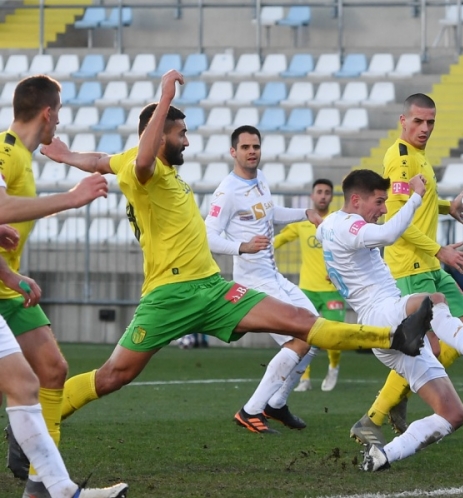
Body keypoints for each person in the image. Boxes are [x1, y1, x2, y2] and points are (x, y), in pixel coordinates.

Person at [37, 70, 430, 428]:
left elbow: (101, 159)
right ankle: (40, 422)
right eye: (180, 134)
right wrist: (163, 97)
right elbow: (140, 158)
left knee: (300, 322)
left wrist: (67, 156)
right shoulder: (144, 172)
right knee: (113, 376)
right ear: (158, 137)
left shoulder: (146, 165)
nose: (186, 140)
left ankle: (392, 338)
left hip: (211, 288)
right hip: (168, 296)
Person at [317, 169, 463, 471]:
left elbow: (323, 232)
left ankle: (383, 455)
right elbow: (388, 234)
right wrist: (416, 196)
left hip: (386, 332)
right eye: (380, 202)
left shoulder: (330, 226)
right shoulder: (348, 226)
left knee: (453, 414)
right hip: (383, 315)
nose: (384, 210)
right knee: (434, 300)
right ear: (357, 201)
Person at [0, 76, 127, 496]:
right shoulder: (5, 149)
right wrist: (71, 197)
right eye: (59, 113)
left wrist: (11, 275)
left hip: (7, 289)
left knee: (51, 370)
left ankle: (43, 487)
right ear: (48, 112)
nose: (59, 121)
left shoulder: (23, 156)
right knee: (26, 383)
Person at [350, 93, 463, 445]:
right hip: (411, 266)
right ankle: (374, 416)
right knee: (431, 349)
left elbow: (415, 204)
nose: (425, 128)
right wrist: (440, 250)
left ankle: (399, 398)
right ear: (402, 121)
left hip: (431, 265)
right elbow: (399, 220)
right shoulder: (402, 159)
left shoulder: (418, 157)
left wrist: (443, 208)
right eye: (418, 121)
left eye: (431, 122)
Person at [205, 125, 322, 434]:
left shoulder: (261, 180)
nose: (252, 151)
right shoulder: (227, 191)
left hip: (273, 275)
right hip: (255, 284)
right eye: (245, 147)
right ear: (233, 152)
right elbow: (209, 237)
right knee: (300, 339)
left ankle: (277, 404)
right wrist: (241, 247)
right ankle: (251, 410)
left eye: (255, 146)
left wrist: (304, 213)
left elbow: (270, 214)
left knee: (317, 333)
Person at [274, 178, 346, 392]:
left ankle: (333, 367)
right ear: (312, 196)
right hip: (307, 290)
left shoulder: (337, 222)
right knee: (303, 335)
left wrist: (339, 272)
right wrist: (259, 249)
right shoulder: (302, 223)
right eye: (319, 192)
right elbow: (281, 239)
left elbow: (349, 250)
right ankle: (304, 377)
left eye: (326, 192)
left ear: (331, 197)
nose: (323, 195)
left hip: (332, 289)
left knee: (333, 338)